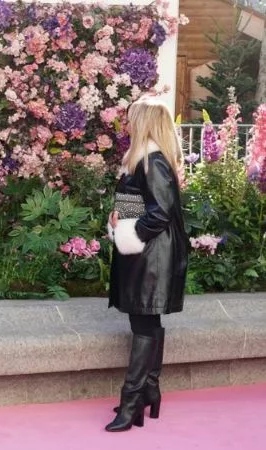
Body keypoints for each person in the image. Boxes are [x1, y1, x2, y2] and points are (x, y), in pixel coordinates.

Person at [105, 97, 189, 432]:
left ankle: (132, 401)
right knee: (146, 321)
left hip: (151, 256)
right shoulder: (143, 159)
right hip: (146, 253)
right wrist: (120, 219)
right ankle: (148, 391)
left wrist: (130, 233)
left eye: (131, 119)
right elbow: (136, 202)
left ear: (144, 122)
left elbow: (160, 212)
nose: (127, 124)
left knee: (142, 322)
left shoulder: (153, 161)